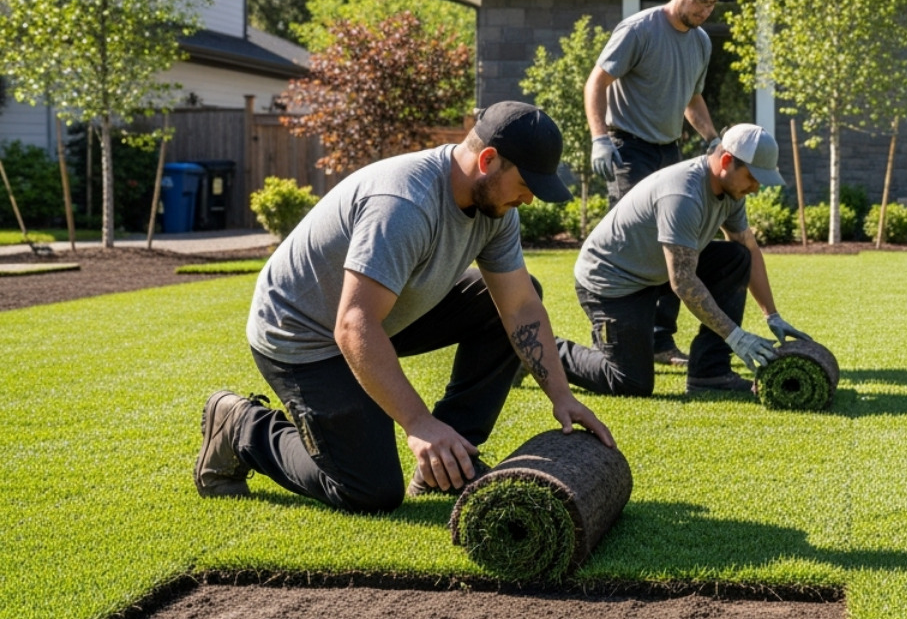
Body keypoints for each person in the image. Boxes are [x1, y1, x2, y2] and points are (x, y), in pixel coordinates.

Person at [195, 102, 615, 513]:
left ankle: (450, 461)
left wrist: (562, 396)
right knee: (368, 489)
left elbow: (520, 306)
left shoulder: (497, 212)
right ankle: (240, 426)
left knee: (506, 301)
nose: (529, 199)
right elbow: (353, 324)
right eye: (527, 185)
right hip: (303, 333)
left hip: (382, 313)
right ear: (488, 160)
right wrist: (418, 423)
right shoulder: (404, 204)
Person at [559, 123, 813, 397]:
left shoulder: (731, 192)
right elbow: (683, 280)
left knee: (735, 258)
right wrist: (736, 336)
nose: (755, 189)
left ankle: (710, 372)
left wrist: (771, 314)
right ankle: (539, 350)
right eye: (753, 178)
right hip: (612, 282)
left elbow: (747, 245)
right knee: (630, 382)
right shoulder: (683, 195)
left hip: (654, 271)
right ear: (726, 161)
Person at [585, 0, 730, 369]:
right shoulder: (639, 29)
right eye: (701, 0)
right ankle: (615, 332)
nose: (705, 11)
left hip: (671, 151)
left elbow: (692, 99)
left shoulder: (701, 41)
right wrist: (599, 140)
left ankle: (660, 340)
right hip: (628, 149)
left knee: (681, 243)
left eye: (713, 4)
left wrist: (714, 140)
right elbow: (596, 83)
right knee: (638, 247)